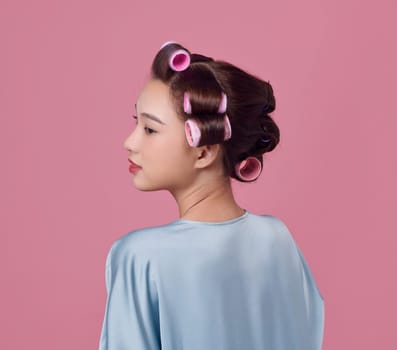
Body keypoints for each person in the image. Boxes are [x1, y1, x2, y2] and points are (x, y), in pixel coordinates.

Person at [98, 41, 325, 350]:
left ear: (204, 151)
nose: (130, 142)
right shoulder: (278, 239)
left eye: (150, 129)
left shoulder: (140, 257)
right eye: (136, 123)